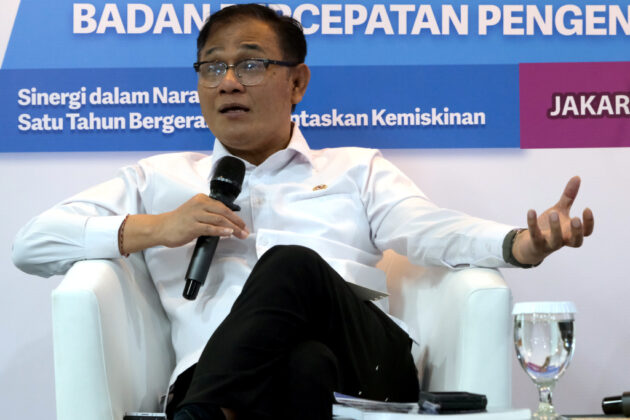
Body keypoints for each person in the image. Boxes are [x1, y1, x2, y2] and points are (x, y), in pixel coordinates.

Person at [12, 4, 594, 420]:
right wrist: (155, 228)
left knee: (291, 264)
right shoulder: (160, 180)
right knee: (302, 365)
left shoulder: (355, 168)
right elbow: (31, 244)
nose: (228, 82)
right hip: (226, 376)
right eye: (212, 67)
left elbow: (429, 229)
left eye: (250, 64)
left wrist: (519, 244)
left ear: (297, 82)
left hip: (366, 364)